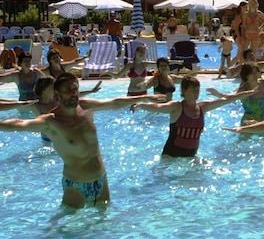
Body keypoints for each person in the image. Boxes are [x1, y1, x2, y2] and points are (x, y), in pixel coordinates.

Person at [0, 73, 163, 208]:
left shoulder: (85, 106)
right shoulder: (52, 122)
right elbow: (19, 124)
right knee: (69, 230)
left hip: (101, 180)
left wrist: (146, 97)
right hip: (76, 186)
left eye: (75, 89)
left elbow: (114, 103)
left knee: (103, 225)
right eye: (68, 90)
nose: (73, 93)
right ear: (57, 94)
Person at [131, 76, 252, 158]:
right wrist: (140, 105)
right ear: (184, 91)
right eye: (193, 89)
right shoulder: (177, 107)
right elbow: (157, 107)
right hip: (171, 156)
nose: (196, 92)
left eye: (197, 89)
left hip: (191, 156)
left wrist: (250, 92)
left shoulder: (203, 107)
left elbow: (226, 100)